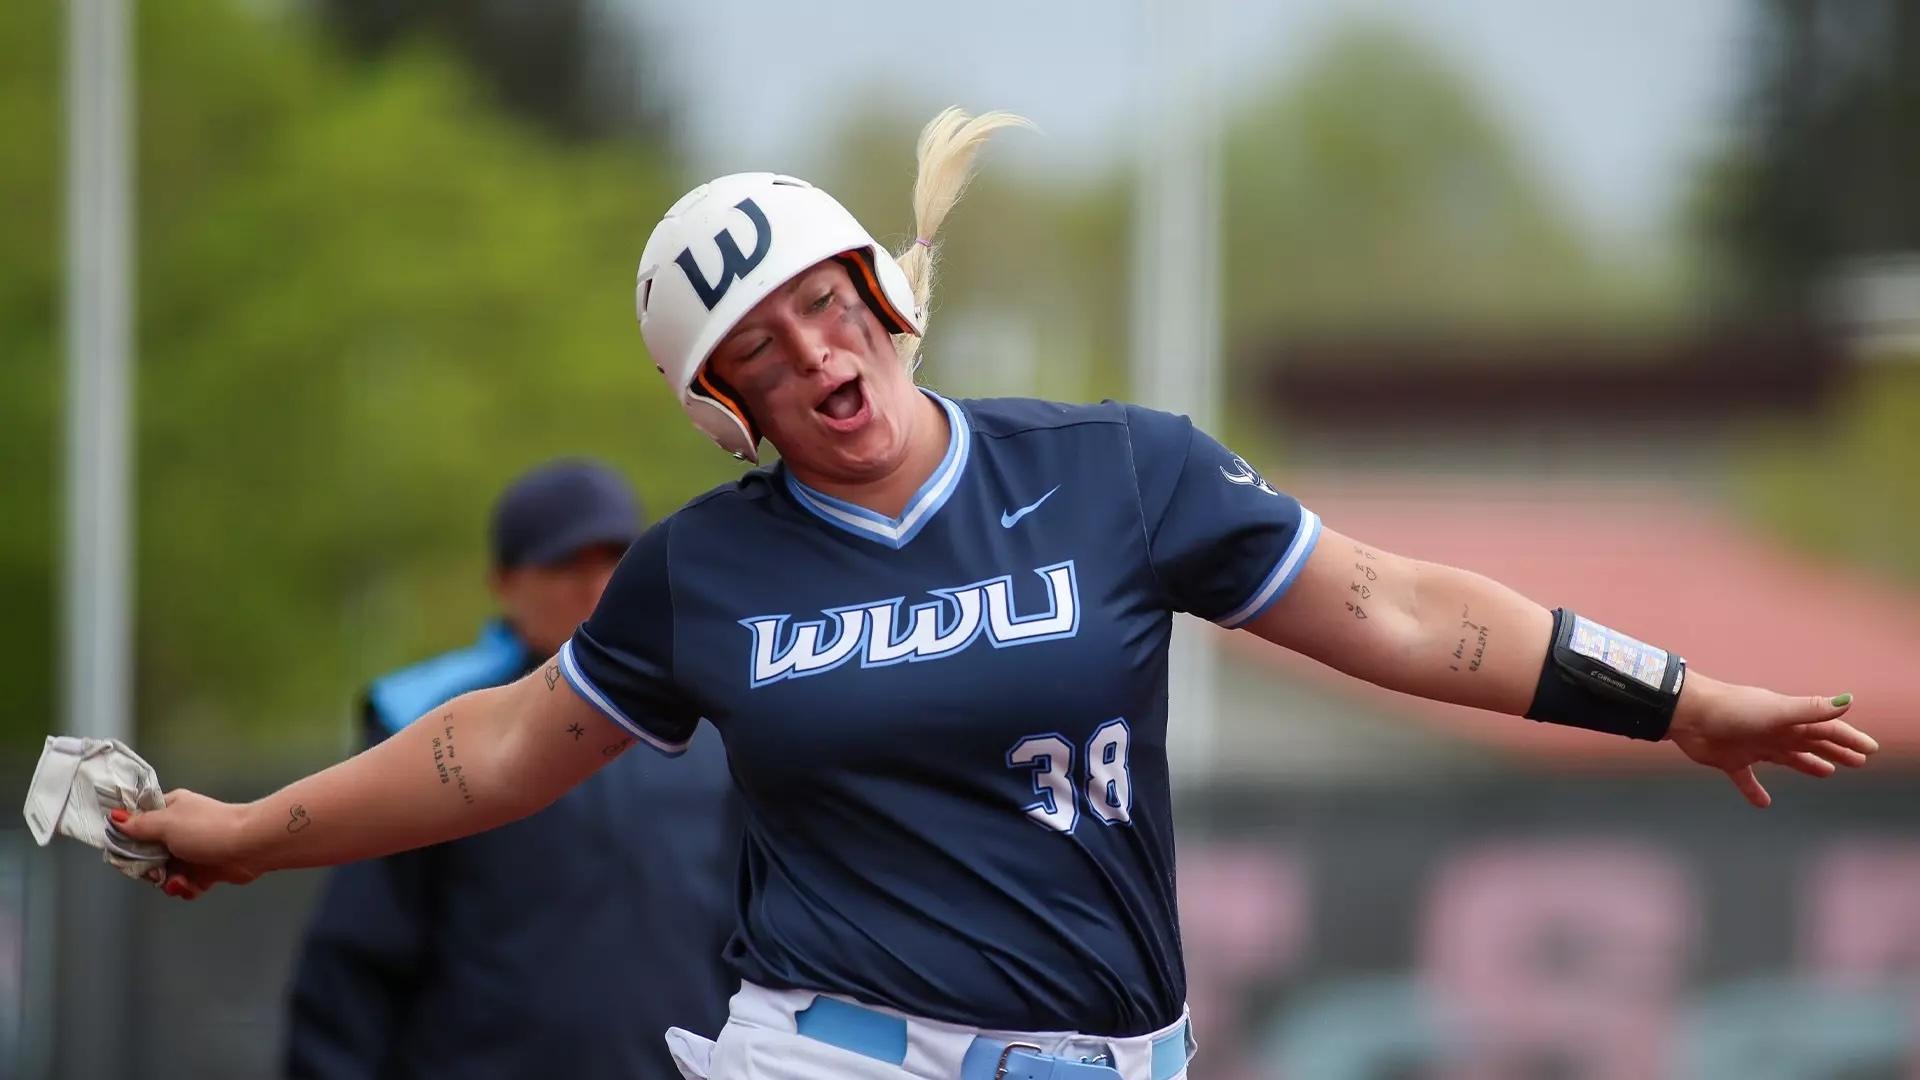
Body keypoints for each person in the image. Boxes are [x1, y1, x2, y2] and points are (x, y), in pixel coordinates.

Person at [118, 108, 1880, 1080]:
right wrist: (251, 833)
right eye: (758, 347)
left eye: (827, 301)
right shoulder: (700, 573)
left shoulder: (1119, 472)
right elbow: (495, 748)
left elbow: (1407, 612)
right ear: (722, 409)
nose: (816, 352)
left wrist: (1671, 695)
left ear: (883, 293)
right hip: (835, 1058)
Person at [282, 459, 741, 1080]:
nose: (594, 585)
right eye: (565, 564)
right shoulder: (429, 726)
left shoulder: (711, 724)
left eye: (614, 559)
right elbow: (356, 954)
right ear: (503, 583)